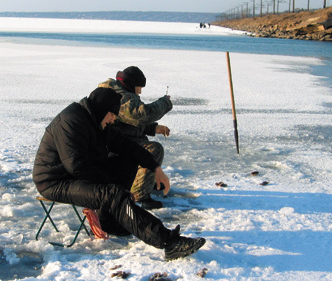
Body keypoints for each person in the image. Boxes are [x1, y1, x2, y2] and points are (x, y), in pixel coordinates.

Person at [32, 87, 205, 261]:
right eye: (112, 114)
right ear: (103, 110)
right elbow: (76, 166)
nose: (113, 118)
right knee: (113, 194)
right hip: (55, 181)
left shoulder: (96, 120)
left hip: (77, 173)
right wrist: (111, 186)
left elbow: (125, 145)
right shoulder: (71, 121)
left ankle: (111, 221)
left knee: (127, 161)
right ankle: (168, 242)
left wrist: (155, 167)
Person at [99, 66, 172, 210]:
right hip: (111, 148)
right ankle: (140, 195)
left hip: (118, 141)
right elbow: (140, 114)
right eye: (139, 87)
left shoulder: (118, 92)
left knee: (145, 146)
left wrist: (154, 128)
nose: (140, 92)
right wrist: (164, 102)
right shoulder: (118, 96)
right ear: (131, 84)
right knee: (152, 150)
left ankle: (147, 183)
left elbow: (127, 122)